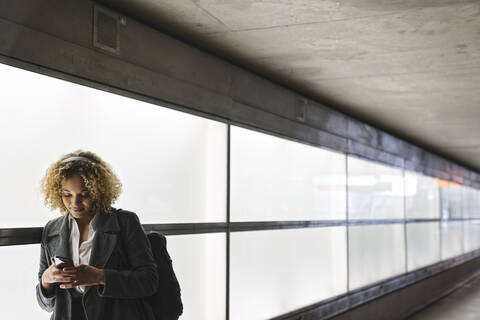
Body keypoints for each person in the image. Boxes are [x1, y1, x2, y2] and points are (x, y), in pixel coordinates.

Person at [36, 150, 159, 320]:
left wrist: (99, 277)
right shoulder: (52, 229)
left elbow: (148, 282)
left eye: (84, 194)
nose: (74, 203)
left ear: (98, 190)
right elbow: (45, 305)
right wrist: (46, 281)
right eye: (67, 194)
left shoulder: (125, 222)